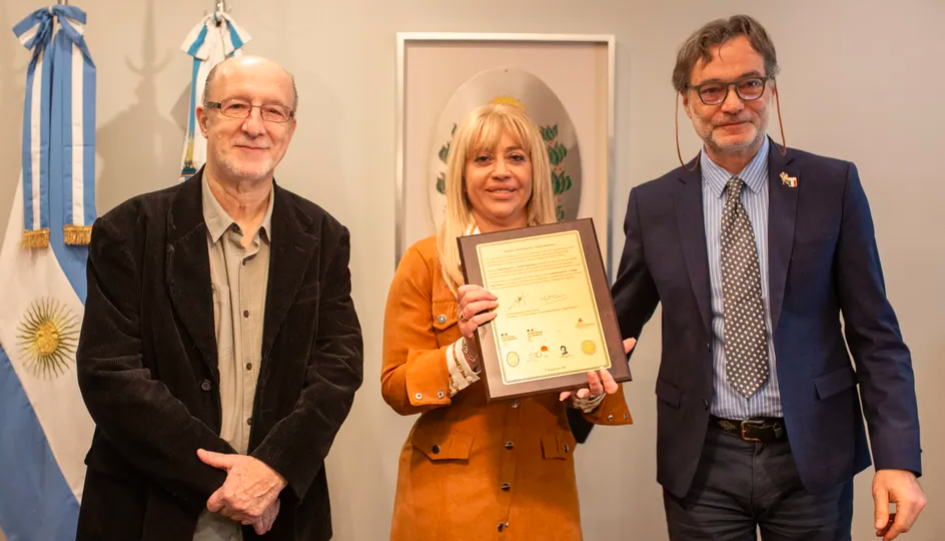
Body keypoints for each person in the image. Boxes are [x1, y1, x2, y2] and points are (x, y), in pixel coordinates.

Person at [610, 15, 925, 541]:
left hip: (811, 458)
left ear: (771, 89)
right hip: (703, 461)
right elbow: (616, 322)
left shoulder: (831, 186)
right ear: (687, 103)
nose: (732, 104)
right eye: (712, 89)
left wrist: (897, 458)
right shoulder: (654, 204)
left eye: (749, 83)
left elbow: (876, 335)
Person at [76, 56, 364, 541]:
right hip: (149, 514)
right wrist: (231, 485)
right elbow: (110, 374)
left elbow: (338, 368)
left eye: (273, 111)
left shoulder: (324, 237)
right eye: (236, 106)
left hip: (280, 518)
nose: (255, 125)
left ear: (290, 129)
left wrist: (274, 470)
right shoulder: (128, 231)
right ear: (204, 120)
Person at [381, 102, 635, 540]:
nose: (501, 172)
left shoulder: (570, 261)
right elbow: (397, 389)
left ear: (536, 171)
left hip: (544, 504)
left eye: (516, 157)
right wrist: (466, 353)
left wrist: (592, 389)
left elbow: (590, 397)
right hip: (447, 506)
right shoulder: (425, 261)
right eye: (483, 159)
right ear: (461, 174)